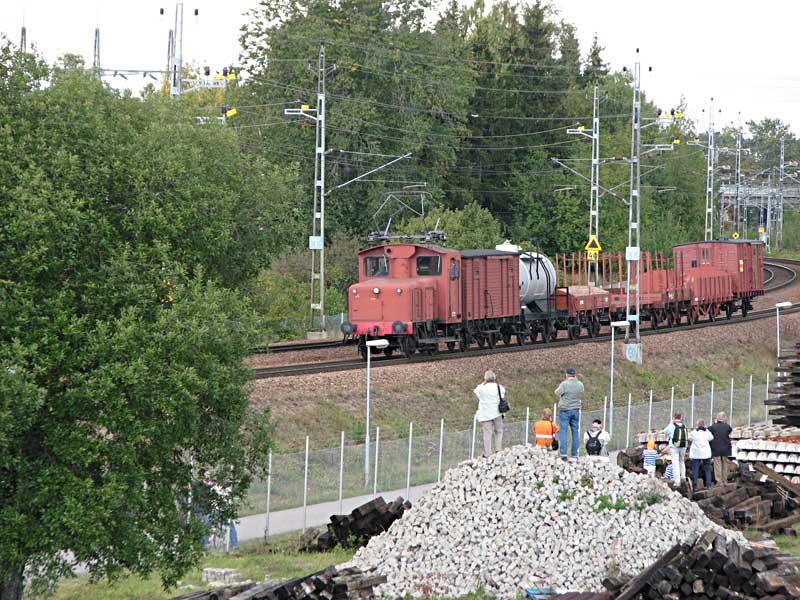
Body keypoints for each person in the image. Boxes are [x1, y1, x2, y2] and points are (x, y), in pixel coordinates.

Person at [474, 369, 505, 457]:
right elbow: (502, 396)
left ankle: (488, 453)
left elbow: (476, 390)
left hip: (485, 414)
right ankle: (498, 449)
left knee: (487, 433)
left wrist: (483, 383)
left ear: (485, 379)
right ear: (495, 378)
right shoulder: (499, 387)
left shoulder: (482, 388)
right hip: (497, 413)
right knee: (499, 431)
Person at [555, 368, 584, 461]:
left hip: (565, 410)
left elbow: (557, 392)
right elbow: (581, 393)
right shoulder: (580, 384)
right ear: (575, 375)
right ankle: (574, 454)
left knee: (563, 431)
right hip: (576, 410)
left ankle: (563, 453)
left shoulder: (564, 384)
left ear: (567, 375)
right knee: (575, 432)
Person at [663, 412, 689, 485]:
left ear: (674, 418)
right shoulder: (684, 426)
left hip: (674, 447)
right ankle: (683, 477)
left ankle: (677, 481)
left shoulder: (671, 426)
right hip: (683, 447)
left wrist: (671, 422)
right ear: (681, 418)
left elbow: (665, 431)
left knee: (675, 463)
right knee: (681, 462)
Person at [689, 420, 715, 489]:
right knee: (707, 469)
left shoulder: (694, 433)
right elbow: (711, 438)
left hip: (696, 454)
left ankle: (695, 485)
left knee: (695, 469)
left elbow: (689, 438)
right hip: (706, 453)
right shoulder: (707, 432)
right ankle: (708, 485)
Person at [709, 412, 733, 484]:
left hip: (716, 448)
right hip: (725, 448)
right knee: (725, 464)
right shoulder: (727, 426)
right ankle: (725, 480)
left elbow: (709, 430)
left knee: (717, 465)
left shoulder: (713, 427)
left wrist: (715, 423)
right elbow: (729, 431)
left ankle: (719, 481)